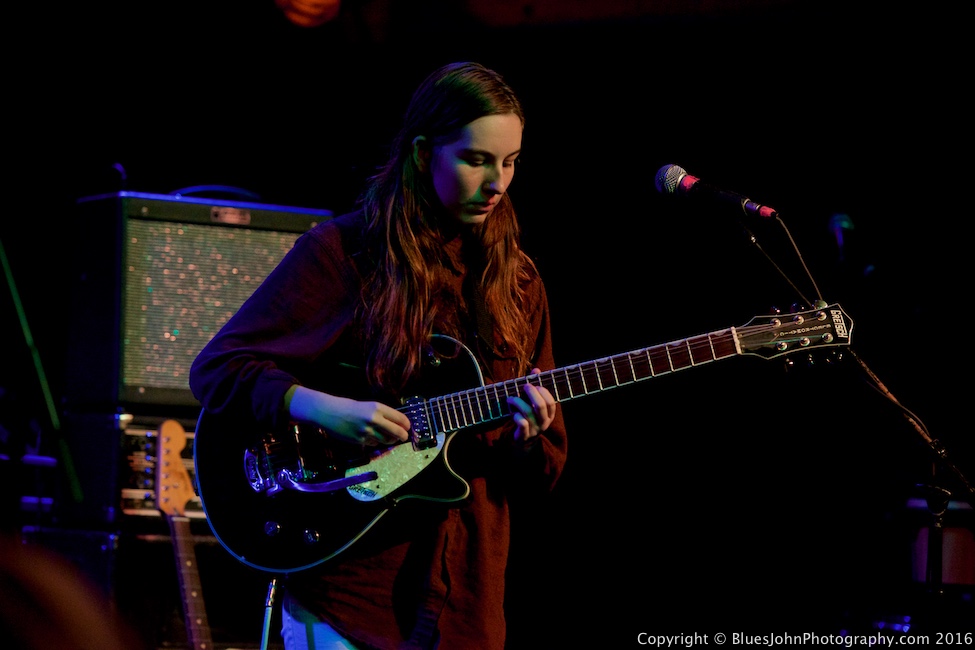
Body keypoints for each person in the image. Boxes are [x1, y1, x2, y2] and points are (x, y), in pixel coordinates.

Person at [189, 61, 568, 650]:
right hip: (350, 594)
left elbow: (544, 471)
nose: (498, 182)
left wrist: (527, 438)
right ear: (423, 154)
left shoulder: (518, 284)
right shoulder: (347, 252)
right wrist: (321, 407)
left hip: (467, 606)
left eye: (511, 162)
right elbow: (217, 368)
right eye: (477, 160)